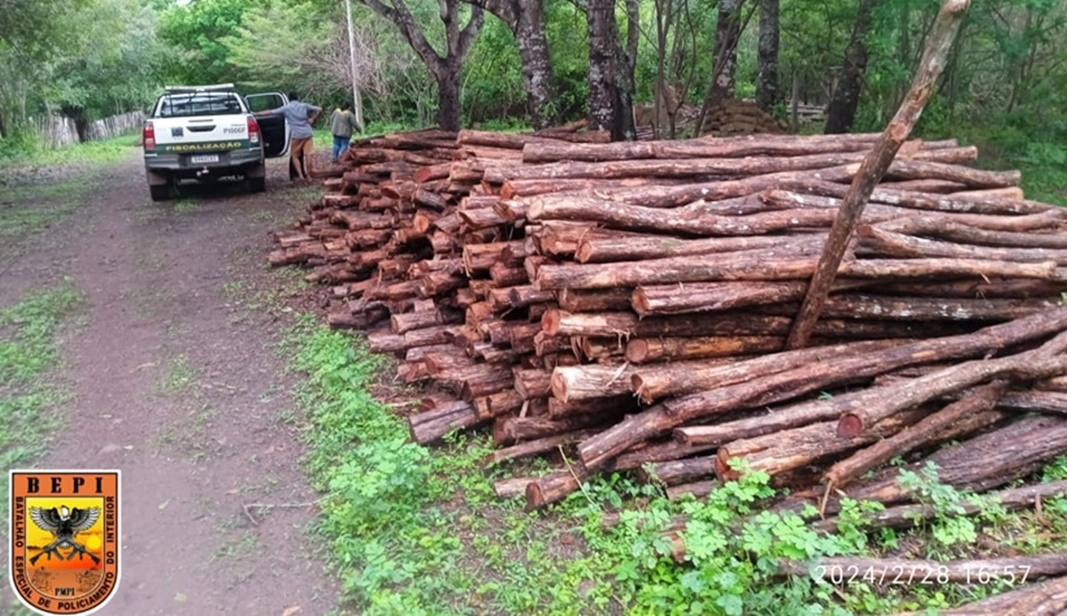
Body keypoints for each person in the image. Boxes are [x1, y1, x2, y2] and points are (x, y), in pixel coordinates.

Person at [255, 92, 321, 182]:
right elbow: (319, 109)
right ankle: (309, 176)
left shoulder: (286, 108)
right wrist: (312, 118)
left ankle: (301, 175)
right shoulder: (304, 106)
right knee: (308, 155)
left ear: (289, 99)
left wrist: (256, 114)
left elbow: (270, 112)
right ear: (297, 98)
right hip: (308, 133)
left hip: (297, 135)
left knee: (294, 156)